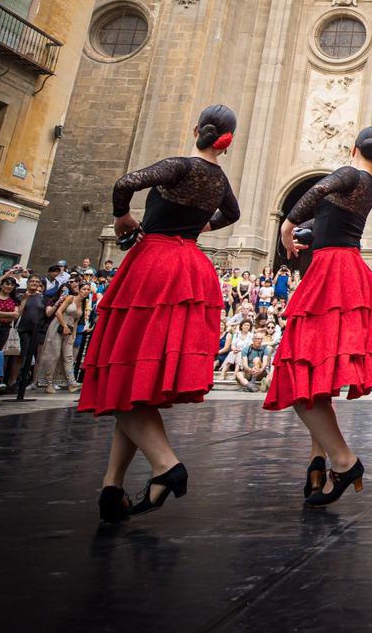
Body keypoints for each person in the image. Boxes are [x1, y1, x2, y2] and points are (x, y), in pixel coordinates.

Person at [79, 104, 240, 525]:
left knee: (124, 369)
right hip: (191, 266)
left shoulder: (180, 166)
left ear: (197, 129)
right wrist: (200, 228)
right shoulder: (219, 179)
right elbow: (233, 214)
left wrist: (122, 216)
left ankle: (167, 465)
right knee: (134, 382)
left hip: (155, 263)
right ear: (228, 141)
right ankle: (111, 487)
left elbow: (124, 183)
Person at [266, 127, 372, 506]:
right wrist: (309, 232)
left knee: (299, 370)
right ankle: (316, 460)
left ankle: (344, 460)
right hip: (344, 268)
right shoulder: (367, 183)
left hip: (330, 274)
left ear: (353, 148)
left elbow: (319, 189)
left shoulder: (350, 174)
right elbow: (333, 221)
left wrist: (287, 227)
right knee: (316, 373)